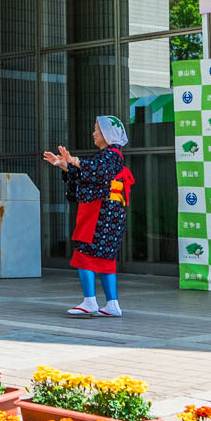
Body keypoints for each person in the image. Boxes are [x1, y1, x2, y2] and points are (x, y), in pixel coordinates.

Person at [45, 115, 133, 318]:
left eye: (96, 129)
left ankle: (90, 301)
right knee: (104, 258)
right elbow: (91, 173)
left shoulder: (110, 156)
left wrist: (73, 161)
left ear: (107, 134)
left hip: (101, 215)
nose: (93, 133)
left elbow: (94, 172)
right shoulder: (111, 156)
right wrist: (64, 165)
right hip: (108, 214)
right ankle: (112, 304)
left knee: (84, 253)